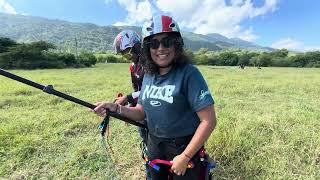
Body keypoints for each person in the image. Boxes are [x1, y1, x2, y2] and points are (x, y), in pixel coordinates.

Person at [94, 15, 216, 179]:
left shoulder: (189, 73)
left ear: (176, 44)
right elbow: (141, 111)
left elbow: (208, 121)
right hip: (154, 144)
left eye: (167, 42)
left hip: (183, 147)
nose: (160, 48)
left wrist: (185, 156)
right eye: (154, 43)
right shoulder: (149, 75)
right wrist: (117, 108)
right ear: (147, 48)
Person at [113, 30, 150, 179]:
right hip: (141, 107)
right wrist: (131, 107)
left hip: (155, 106)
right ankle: (150, 159)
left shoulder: (150, 63)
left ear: (137, 46)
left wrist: (127, 98)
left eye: (128, 52)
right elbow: (138, 90)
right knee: (144, 135)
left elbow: (151, 90)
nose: (128, 56)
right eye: (124, 54)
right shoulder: (132, 67)